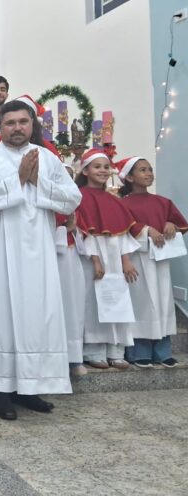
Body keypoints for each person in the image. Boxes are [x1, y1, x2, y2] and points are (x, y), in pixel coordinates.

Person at [0, 100, 81, 420]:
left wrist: (37, 182)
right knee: (1, 320)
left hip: (38, 255)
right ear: (0, 127)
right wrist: (16, 180)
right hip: (0, 256)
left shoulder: (47, 158)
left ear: (32, 124)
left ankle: (30, 387)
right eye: (10, 123)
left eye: (22, 122)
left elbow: (72, 199)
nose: (17, 128)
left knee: (37, 317)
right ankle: (0, 392)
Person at [118, 157, 187, 367]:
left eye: (149, 169)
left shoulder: (163, 202)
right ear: (130, 177)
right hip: (137, 259)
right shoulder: (123, 203)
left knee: (163, 302)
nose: (149, 173)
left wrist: (170, 223)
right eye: (142, 170)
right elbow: (121, 229)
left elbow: (180, 224)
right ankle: (139, 351)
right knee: (142, 304)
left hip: (160, 260)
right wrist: (146, 229)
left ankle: (163, 351)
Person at [75, 150, 141, 370]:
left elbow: (122, 233)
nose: (103, 171)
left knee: (118, 300)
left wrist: (126, 260)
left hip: (115, 259)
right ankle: (94, 350)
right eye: (97, 167)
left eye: (106, 167)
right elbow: (84, 232)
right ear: (85, 171)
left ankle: (116, 350)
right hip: (92, 258)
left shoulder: (114, 200)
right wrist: (95, 260)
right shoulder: (80, 197)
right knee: (93, 302)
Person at [55, 165, 88, 376]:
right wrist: (63, 230)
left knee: (73, 306)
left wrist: (74, 230)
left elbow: (84, 236)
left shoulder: (74, 204)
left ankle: (74, 358)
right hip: (50, 260)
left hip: (71, 259)